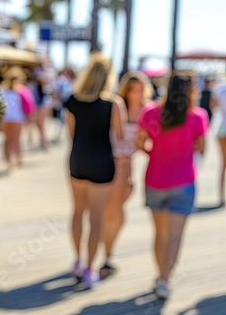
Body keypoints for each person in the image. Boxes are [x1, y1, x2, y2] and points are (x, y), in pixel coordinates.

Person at [135, 73, 208, 300]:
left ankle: (160, 275)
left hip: (155, 180)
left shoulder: (150, 112)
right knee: (175, 237)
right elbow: (201, 149)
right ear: (191, 91)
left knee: (160, 234)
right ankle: (164, 280)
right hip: (184, 182)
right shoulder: (198, 116)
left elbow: (139, 142)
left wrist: (152, 153)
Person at [63, 53, 123, 288]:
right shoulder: (113, 103)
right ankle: (90, 268)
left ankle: (77, 261)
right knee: (96, 216)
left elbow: (71, 133)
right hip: (102, 162)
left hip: (78, 159)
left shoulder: (73, 100)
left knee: (78, 211)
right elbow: (118, 136)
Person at [100, 71, 154, 279]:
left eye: (140, 89)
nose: (137, 93)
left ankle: (106, 251)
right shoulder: (116, 106)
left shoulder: (146, 110)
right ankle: (106, 255)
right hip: (112, 164)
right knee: (114, 212)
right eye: (133, 89)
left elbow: (147, 140)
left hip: (129, 166)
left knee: (117, 211)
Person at [0, 66, 36, 169]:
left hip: (5, 119)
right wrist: (30, 117)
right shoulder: (22, 90)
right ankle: (18, 159)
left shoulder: (1, 89)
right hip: (17, 119)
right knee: (16, 140)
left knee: (7, 140)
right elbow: (29, 105)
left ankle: (8, 160)